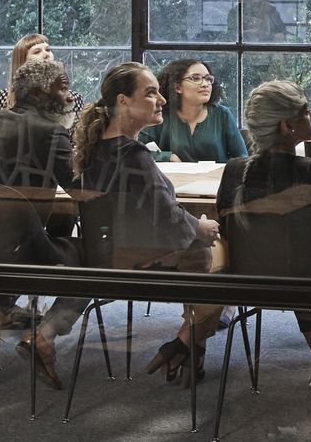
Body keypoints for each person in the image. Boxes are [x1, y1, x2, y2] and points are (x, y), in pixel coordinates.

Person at [219, 81, 311, 404]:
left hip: (249, 281)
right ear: (287, 127)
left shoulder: (234, 171)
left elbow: (225, 228)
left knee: (302, 260)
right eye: (305, 114)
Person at [72, 61, 223, 386]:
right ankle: (184, 342)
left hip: (108, 262)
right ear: (123, 101)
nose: (163, 100)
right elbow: (168, 219)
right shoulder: (136, 156)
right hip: (147, 267)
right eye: (151, 93)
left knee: (200, 254)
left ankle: (190, 354)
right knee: (224, 255)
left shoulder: (95, 151)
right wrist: (203, 227)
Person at [0, 58, 88, 387]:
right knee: (88, 257)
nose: (69, 96)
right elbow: (80, 192)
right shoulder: (49, 131)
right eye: (62, 88)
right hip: (17, 247)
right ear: (38, 95)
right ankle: (43, 335)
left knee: (28, 247)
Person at [138, 59, 248, 164]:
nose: (205, 84)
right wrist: (166, 156)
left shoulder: (222, 114)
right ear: (177, 87)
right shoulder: (161, 116)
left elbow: (242, 158)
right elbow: (135, 150)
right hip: (174, 181)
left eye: (208, 78)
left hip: (216, 181)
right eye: (196, 78)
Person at [0, 33, 61, 117]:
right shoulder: (3, 99)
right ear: (23, 62)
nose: (47, 54)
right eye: (37, 52)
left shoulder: (71, 99)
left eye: (48, 49)